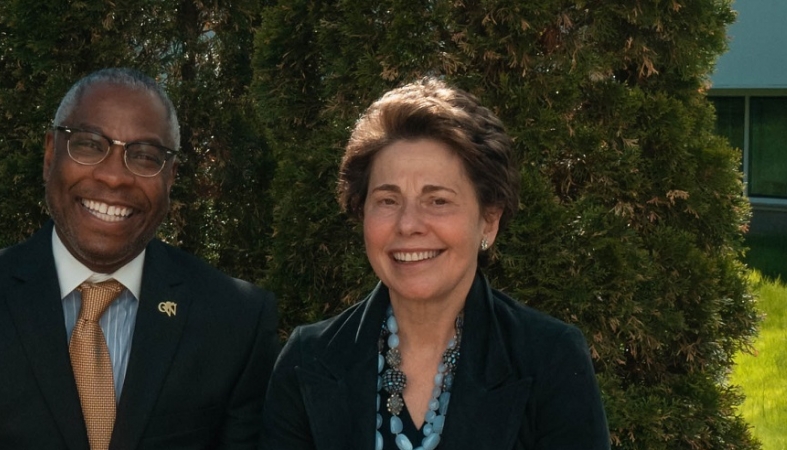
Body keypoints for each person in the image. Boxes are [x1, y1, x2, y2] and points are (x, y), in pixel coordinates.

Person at [0, 68, 280, 450]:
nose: (114, 177)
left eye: (145, 157)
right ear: (49, 155)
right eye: (90, 145)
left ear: (171, 177)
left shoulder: (235, 321)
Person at [261, 77, 610, 450]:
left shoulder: (549, 359)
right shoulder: (309, 360)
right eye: (387, 201)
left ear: (488, 220)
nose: (408, 225)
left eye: (438, 201)